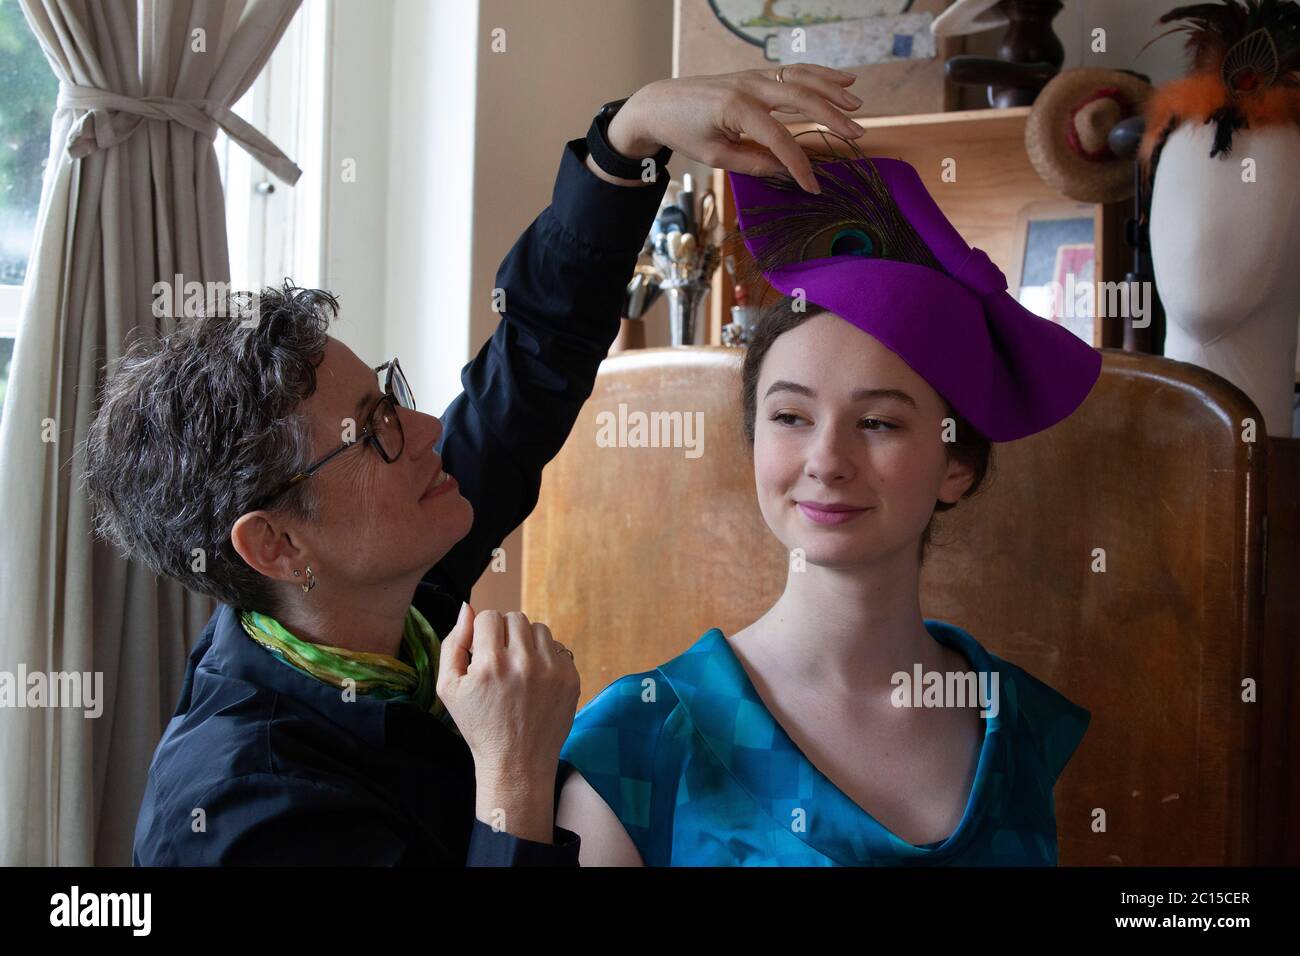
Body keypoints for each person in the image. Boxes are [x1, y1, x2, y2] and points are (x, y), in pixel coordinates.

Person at [81, 66, 868, 865]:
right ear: (277, 546)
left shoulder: (368, 601)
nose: (423, 429)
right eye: (372, 430)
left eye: (390, 396)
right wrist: (511, 780)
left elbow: (528, 368)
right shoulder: (236, 812)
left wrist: (630, 136)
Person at [556, 144, 1101, 866]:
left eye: (878, 423)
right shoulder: (640, 737)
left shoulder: (1017, 724)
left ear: (957, 467)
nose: (826, 461)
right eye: (790, 418)